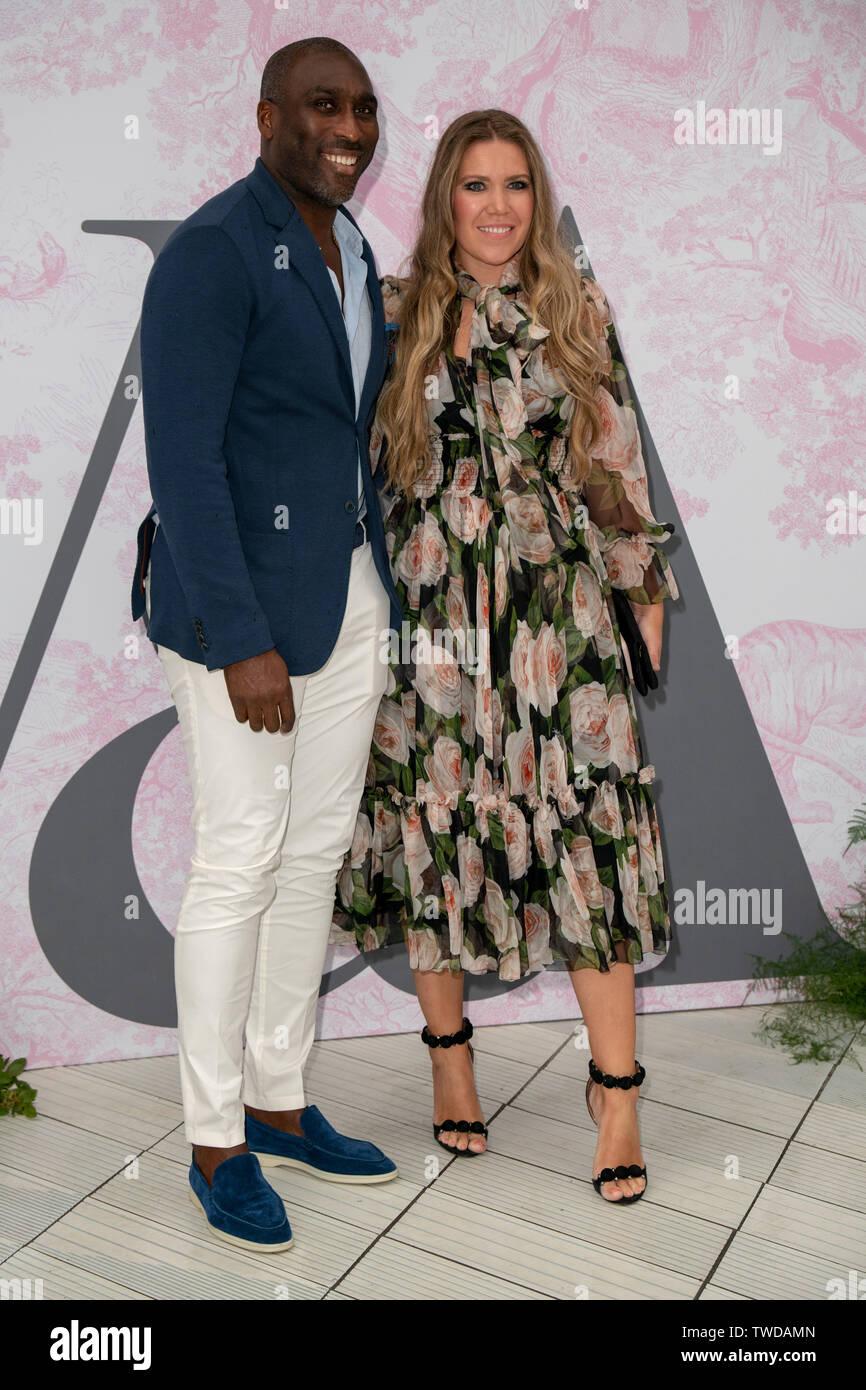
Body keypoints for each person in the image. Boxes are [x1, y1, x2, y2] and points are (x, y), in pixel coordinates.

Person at [333, 109, 680, 1204]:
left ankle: (614, 1088)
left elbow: (611, 454)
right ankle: (449, 1063)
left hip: (558, 614)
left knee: (589, 828)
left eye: (515, 184)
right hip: (431, 616)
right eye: (475, 184)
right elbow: (346, 462)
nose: (496, 206)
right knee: (437, 821)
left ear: (536, 196)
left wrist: (638, 582)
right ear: (443, 196)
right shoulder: (389, 314)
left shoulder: (575, 309)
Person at [130, 37, 404, 1252]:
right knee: (239, 855)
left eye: (360, 108)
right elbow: (181, 461)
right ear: (265, 117)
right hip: (233, 609)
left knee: (313, 852)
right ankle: (214, 1137)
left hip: (346, 596)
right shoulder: (211, 250)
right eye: (320, 106)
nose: (345, 126)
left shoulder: (357, 252)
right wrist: (239, 638)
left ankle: (283, 1099)